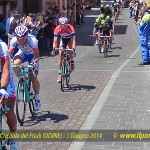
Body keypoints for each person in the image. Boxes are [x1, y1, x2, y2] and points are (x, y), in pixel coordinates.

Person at [9, 25, 40, 110]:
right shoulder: (14, 40)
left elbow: (37, 56)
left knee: (33, 78)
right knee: (15, 64)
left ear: (26, 37)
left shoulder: (32, 40)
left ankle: (37, 98)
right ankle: (22, 79)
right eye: (18, 38)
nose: (20, 40)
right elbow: (9, 54)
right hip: (22, 53)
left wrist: (34, 63)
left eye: (22, 38)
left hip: (32, 55)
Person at [0, 34, 19, 150]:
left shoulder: (2, 46)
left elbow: (5, 70)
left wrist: (2, 88)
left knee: (8, 110)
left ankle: (13, 138)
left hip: (4, 76)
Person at [53, 17, 76, 83]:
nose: (63, 27)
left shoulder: (71, 28)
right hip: (63, 39)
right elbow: (55, 41)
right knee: (60, 54)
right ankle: (60, 74)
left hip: (69, 39)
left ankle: (71, 62)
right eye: (62, 26)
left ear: (67, 25)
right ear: (59, 25)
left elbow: (74, 40)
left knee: (69, 50)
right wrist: (54, 48)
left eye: (65, 25)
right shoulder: (57, 29)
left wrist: (73, 49)